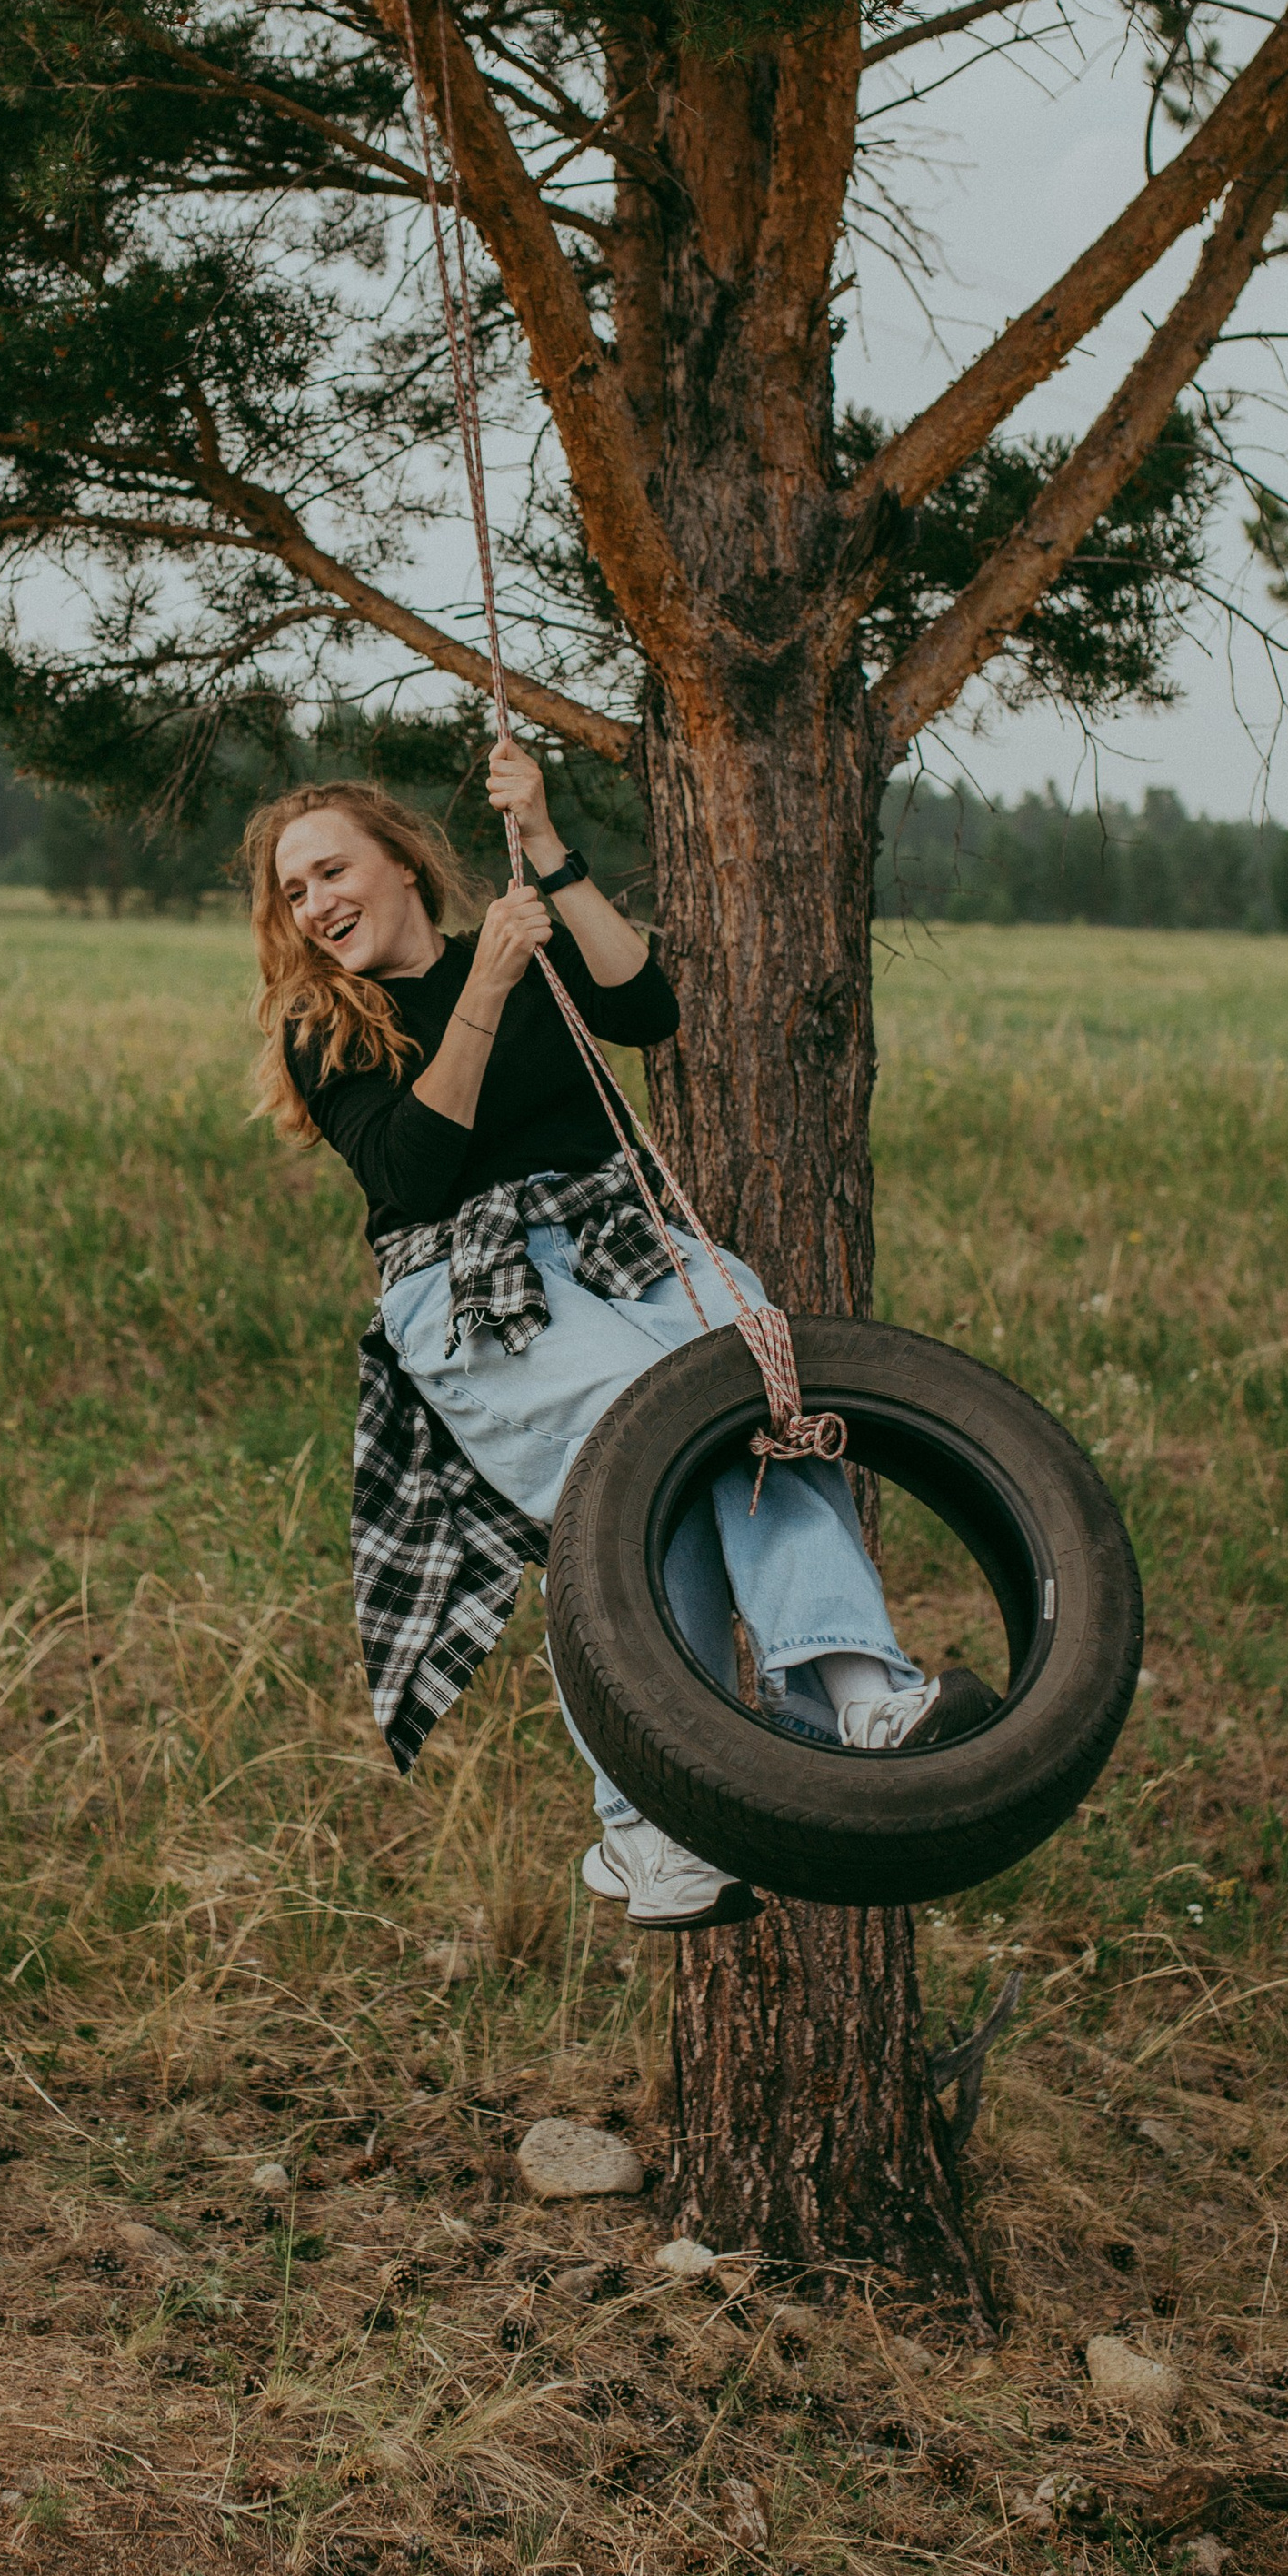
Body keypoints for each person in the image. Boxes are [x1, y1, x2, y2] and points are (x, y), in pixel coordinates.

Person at [247, 740, 988, 1933]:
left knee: (742, 1426)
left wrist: (543, 842)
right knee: (640, 1459)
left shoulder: (524, 939)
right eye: (295, 892)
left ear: (402, 864)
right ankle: (647, 1819)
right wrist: (482, 989)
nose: (317, 905)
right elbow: (415, 1171)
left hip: (627, 1239)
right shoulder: (327, 1023)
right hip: (471, 1278)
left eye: (333, 871)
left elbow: (647, 1006)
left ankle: (850, 1706)